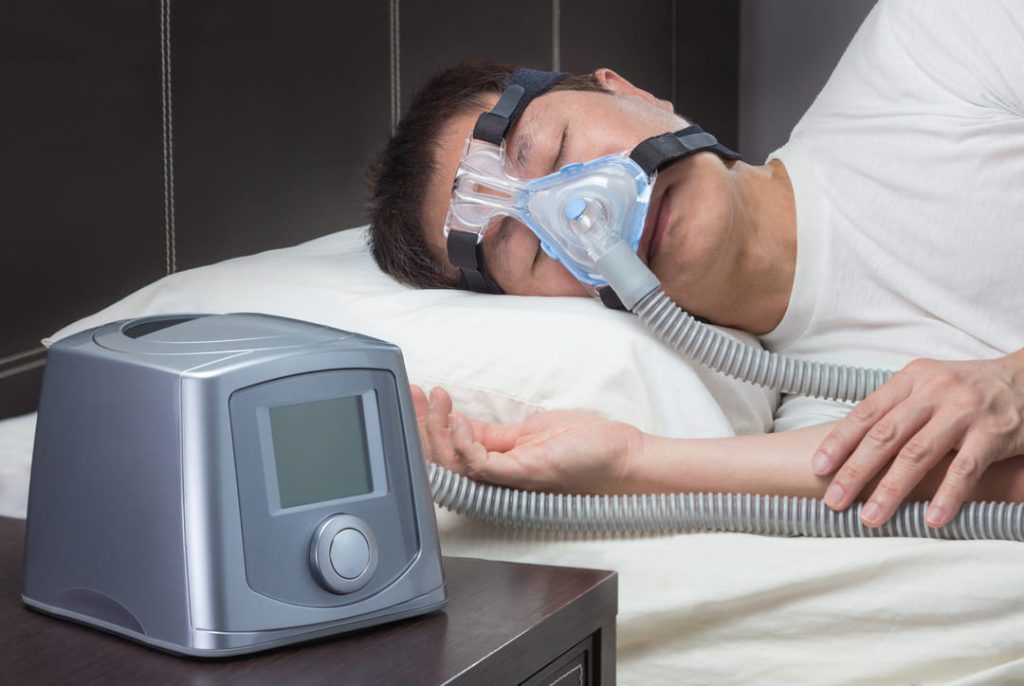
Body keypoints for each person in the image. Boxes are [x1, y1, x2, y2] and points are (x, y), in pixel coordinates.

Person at [367, 0, 1024, 529]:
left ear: (629, 92)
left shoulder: (935, 50)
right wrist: (627, 462)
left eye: (558, 147)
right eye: (533, 248)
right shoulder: (822, 426)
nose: (584, 207)